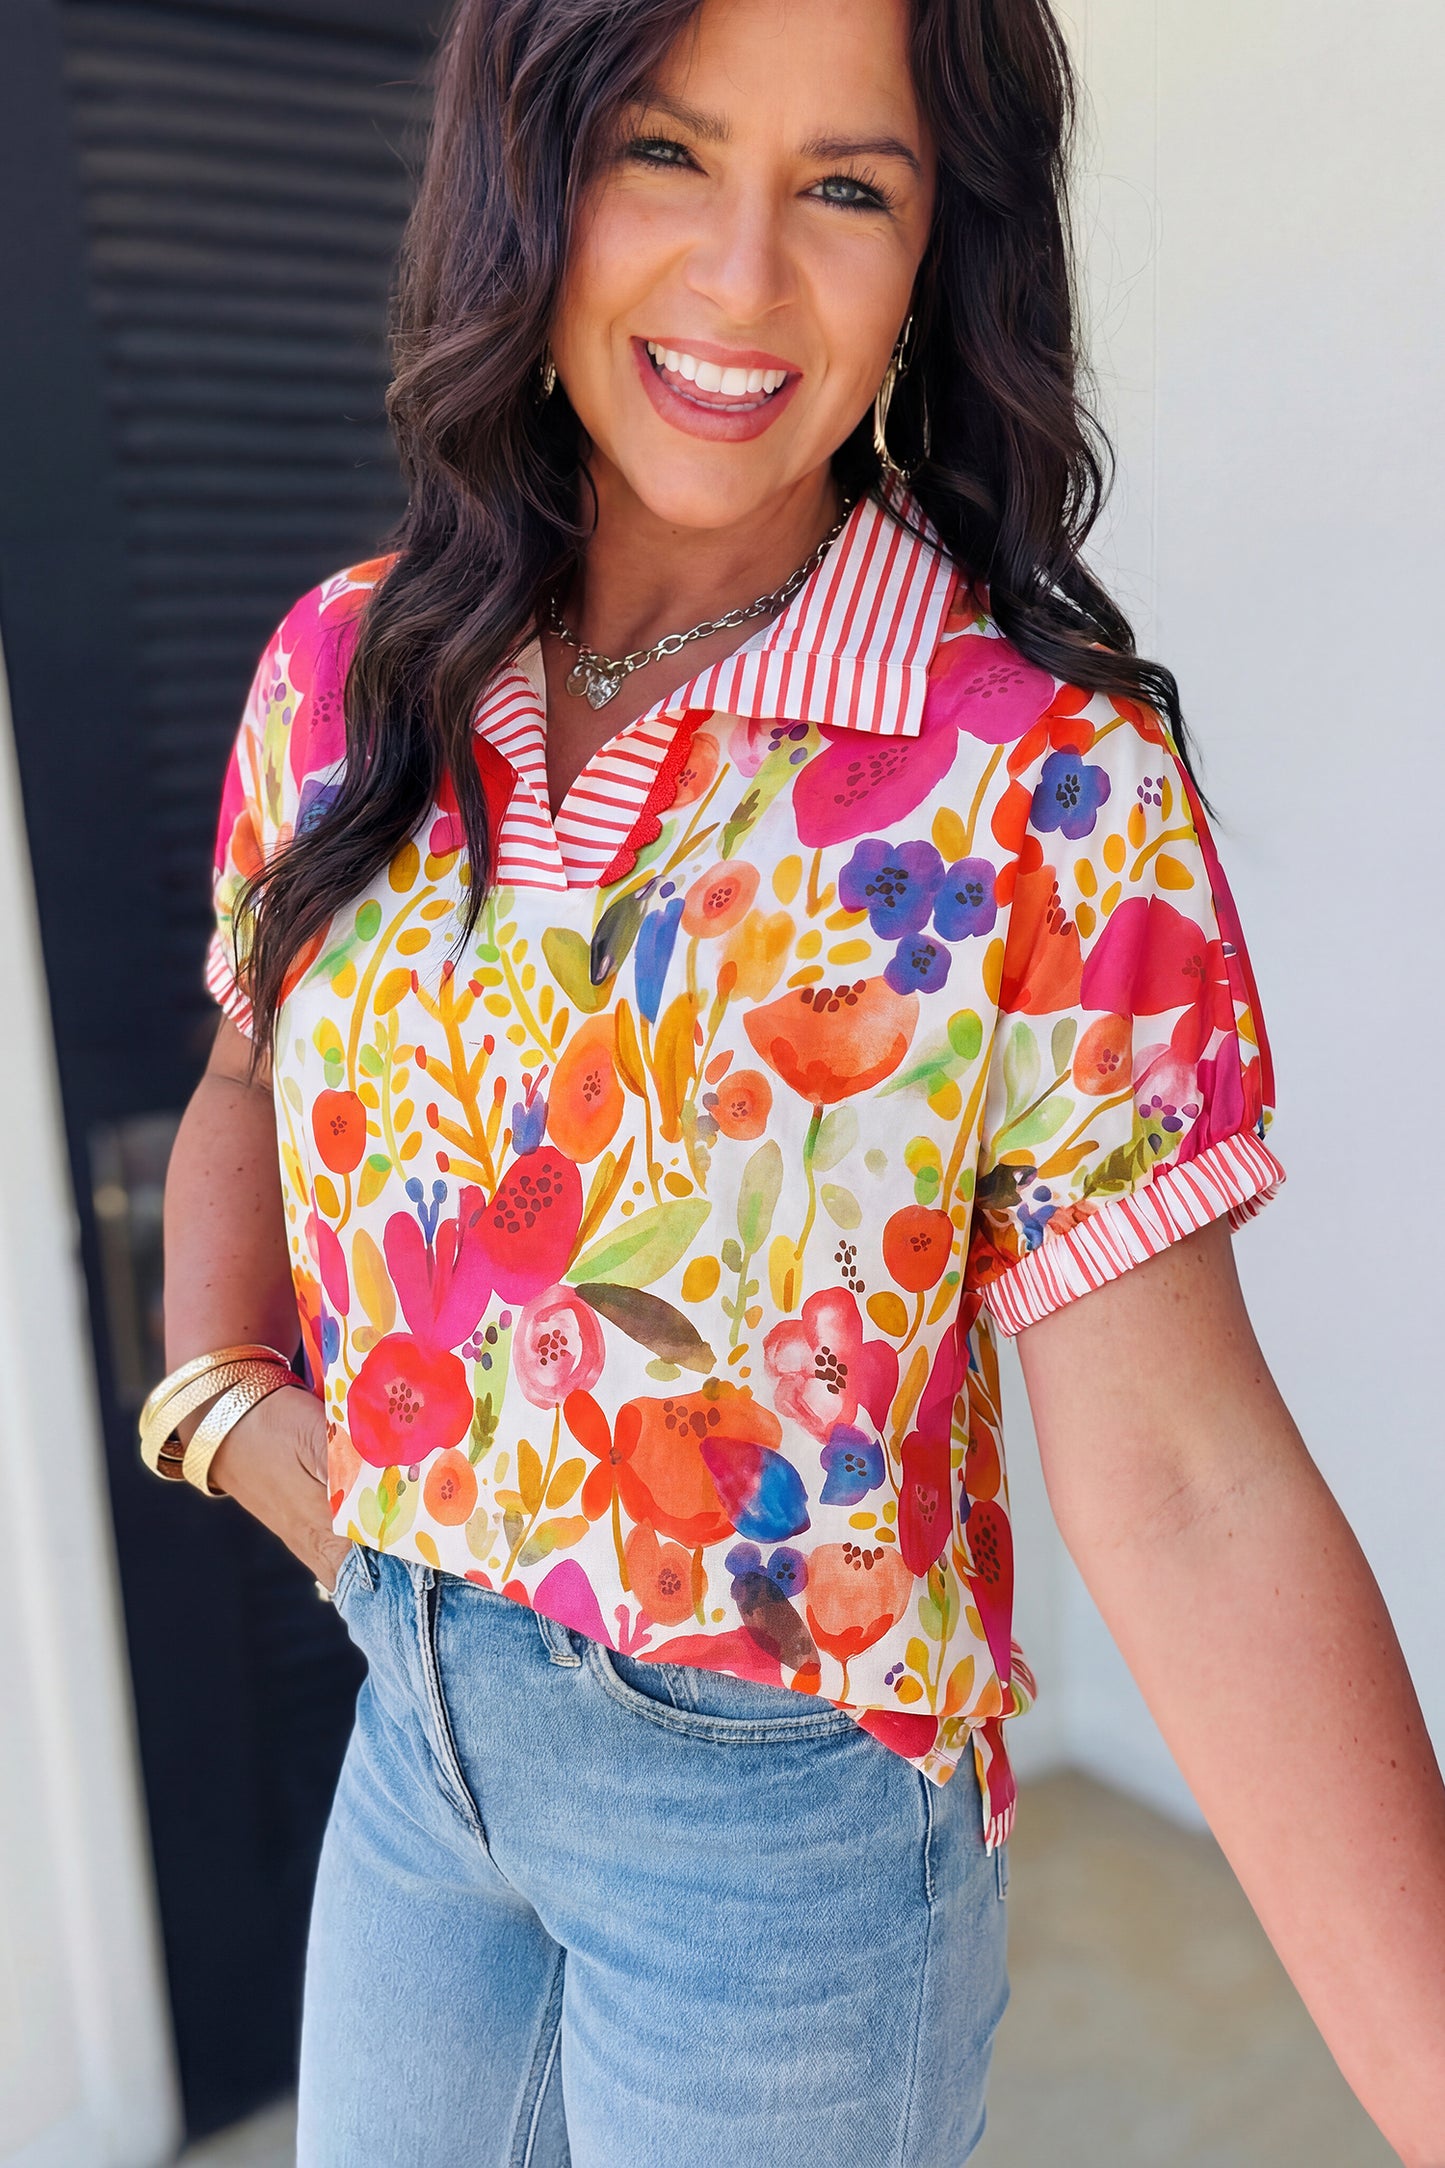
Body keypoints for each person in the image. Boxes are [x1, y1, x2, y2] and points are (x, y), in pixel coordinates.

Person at [145, 0, 1445, 2160]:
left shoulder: (1036, 786)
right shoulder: (344, 671)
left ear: (943, 254)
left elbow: (1192, 1487)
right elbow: (242, 1073)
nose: (745, 282)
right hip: (415, 1759)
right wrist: (222, 1404)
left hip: (774, 1849)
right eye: (664, 154)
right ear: (527, 183)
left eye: (849, 187)